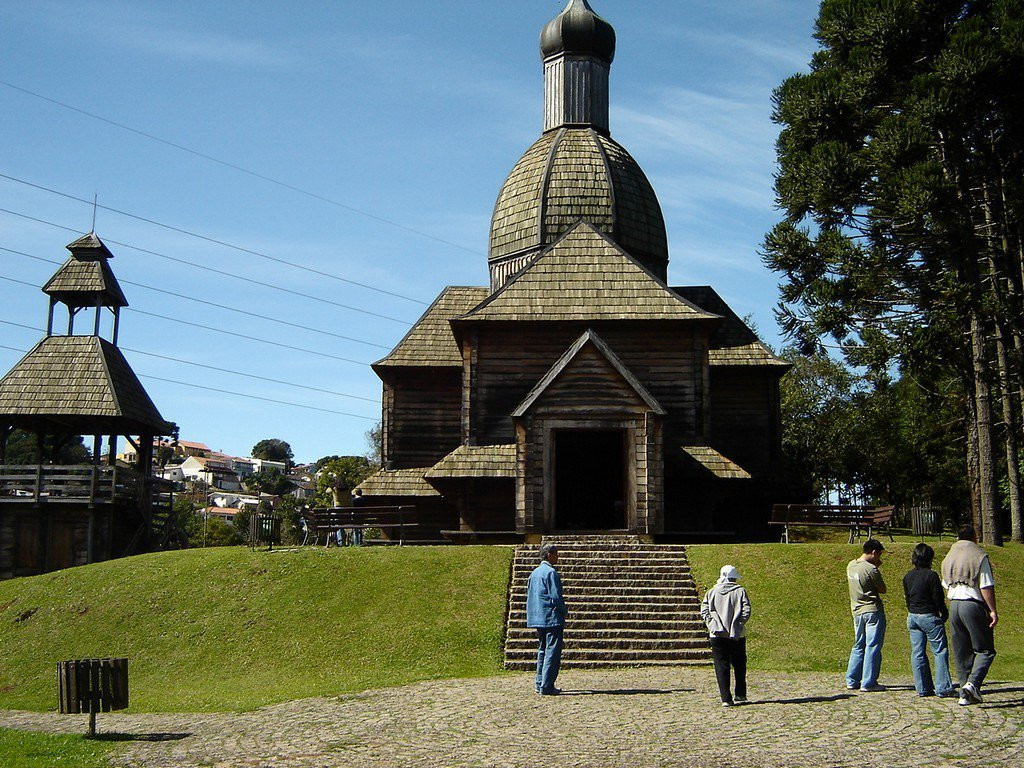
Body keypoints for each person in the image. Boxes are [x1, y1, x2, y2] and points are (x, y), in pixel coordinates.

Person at [941, 525, 998, 706]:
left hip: (954, 604)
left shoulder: (949, 556)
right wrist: (992, 610)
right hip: (972, 604)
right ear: (974, 537)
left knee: (962, 651)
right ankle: (972, 685)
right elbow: (985, 585)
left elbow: (945, 583)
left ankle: (964, 694)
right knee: (985, 650)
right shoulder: (978, 555)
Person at [902, 543, 955, 698]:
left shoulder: (908, 576)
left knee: (917, 652)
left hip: (913, 616)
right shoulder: (931, 575)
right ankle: (943, 687)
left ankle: (922, 687)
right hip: (929, 615)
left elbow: (908, 598)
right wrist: (944, 613)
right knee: (939, 651)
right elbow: (937, 597)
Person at [700, 564, 751, 707]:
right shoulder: (740, 591)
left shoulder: (712, 592)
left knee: (721, 666)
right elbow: (746, 610)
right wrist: (739, 624)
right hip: (737, 634)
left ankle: (725, 698)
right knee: (739, 664)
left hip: (716, 634)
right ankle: (740, 694)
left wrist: (712, 624)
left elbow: (704, 610)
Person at [845, 539, 887, 692]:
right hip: (872, 611)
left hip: (857, 610)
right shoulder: (871, 569)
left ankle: (852, 678)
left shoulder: (851, 565)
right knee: (873, 645)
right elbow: (882, 589)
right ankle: (868, 682)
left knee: (859, 644)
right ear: (874, 552)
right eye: (879, 554)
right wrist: (876, 567)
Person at [526, 543, 567, 695]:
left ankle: (539, 682)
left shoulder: (535, 573)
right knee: (552, 651)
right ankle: (547, 684)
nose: (558, 557)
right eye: (556, 554)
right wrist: (563, 610)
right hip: (551, 617)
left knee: (542, 649)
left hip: (538, 616)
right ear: (549, 555)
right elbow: (556, 597)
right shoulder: (550, 573)